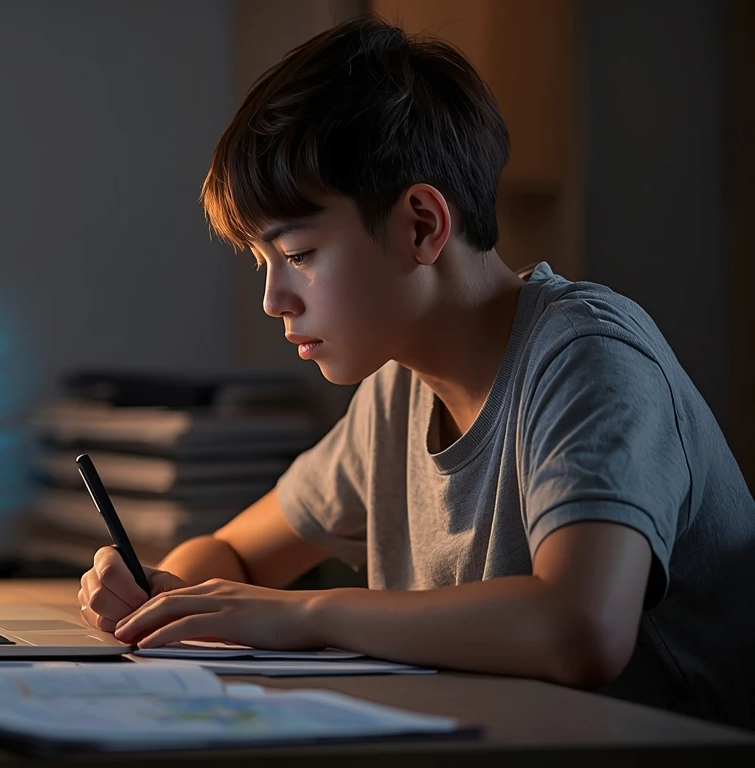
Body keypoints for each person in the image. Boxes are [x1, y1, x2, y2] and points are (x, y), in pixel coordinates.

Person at [77, 15, 755, 728]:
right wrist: (169, 588)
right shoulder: (396, 390)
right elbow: (236, 554)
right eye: (262, 263)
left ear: (423, 226)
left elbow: (580, 627)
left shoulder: (587, 357)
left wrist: (306, 613)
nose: (275, 299)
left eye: (300, 254)